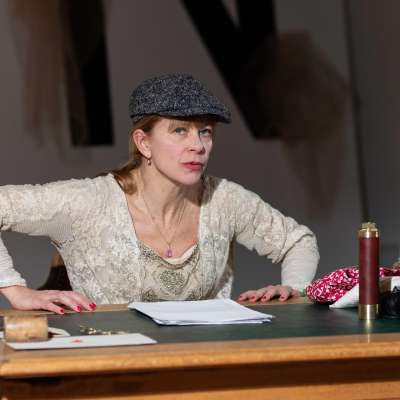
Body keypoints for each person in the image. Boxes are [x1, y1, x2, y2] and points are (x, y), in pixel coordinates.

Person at [0, 73, 319, 314]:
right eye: (180, 130)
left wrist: (293, 288)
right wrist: (15, 290)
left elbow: (298, 242)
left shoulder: (225, 199)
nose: (198, 145)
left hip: (203, 364)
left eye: (205, 131)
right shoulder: (88, 202)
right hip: (112, 365)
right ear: (144, 142)